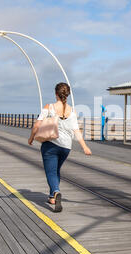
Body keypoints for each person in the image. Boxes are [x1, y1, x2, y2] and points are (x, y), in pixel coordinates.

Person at [28, 82, 92, 212]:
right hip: (66, 147)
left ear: (56, 94)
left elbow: (36, 125)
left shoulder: (49, 107)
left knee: (50, 172)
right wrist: (84, 147)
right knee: (56, 170)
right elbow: (76, 130)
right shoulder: (72, 110)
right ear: (67, 94)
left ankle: (56, 192)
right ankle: (52, 197)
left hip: (50, 144)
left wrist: (31, 138)